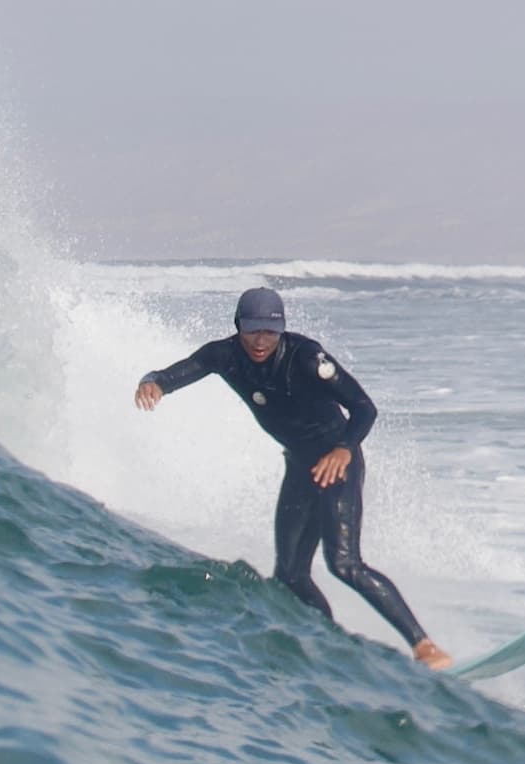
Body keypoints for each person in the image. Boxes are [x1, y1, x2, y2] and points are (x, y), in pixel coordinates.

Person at [132, 283, 453, 664]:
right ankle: (333, 648)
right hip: (300, 467)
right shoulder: (225, 355)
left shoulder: (307, 357)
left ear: (282, 329)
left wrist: (344, 449)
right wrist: (152, 382)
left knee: (344, 564)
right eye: (252, 330)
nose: (260, 340)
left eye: (269, 331)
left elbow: (364, 407)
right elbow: (172, 374)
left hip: (338, 465)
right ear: (239, 326)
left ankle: (425, 647)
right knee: (289, 575)